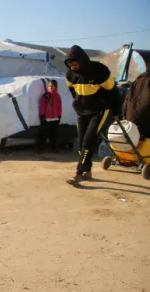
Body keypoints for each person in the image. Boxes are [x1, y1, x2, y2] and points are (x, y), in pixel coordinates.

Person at [64, 45, 122, 186]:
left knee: (88, 141)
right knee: (81, 144)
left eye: (75, 64)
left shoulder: (99, 71)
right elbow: (73, 90)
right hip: (83, 111)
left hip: (100, 110)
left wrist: (116, 112)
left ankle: (78, 174)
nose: (72, 68)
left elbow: (113, 91)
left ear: (82, 61)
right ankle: (88, 171)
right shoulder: (70, 74)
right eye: (70, 65)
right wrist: (78, 103)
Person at [122, 71, 150, 139]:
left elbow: (126, 103)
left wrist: (125, 117)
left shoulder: (135, 82)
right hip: (146, 124)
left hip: (131, 126)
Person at [38, 79, 63, 152]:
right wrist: (42, 115)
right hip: (46, 118)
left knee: (54, 134)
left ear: (55, 87)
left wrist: (59, 115)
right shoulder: (46, 95)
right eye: (49, 86)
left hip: (55, 118)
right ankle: (41, 148)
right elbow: (42, 105)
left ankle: (54, 148)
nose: (51, 87)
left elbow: (59, 106)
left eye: (52, 86)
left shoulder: (57, 95)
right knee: (43, 133)